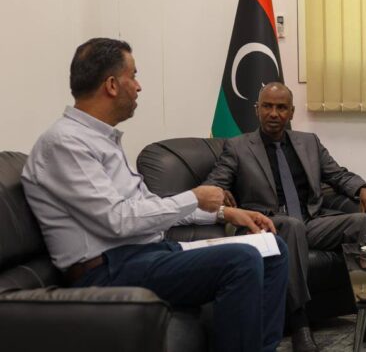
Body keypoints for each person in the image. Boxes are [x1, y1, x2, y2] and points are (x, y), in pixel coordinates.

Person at [21, 38, 289, 352]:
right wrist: (194, 197)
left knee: (273, 249)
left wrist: (225, 213)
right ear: (111, 85)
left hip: (148, 254)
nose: (139, 86)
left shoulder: (101, 139)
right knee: (240, 260)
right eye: (133, 76)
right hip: (107, 271)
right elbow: (118, 220)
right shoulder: (66, 143)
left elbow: (149, 207)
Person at [204, 82, 366, 351]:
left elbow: (338, 174)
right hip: (264, 226)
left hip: (310, 221)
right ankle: (299, 321)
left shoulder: (309, 142)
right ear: (257, 109)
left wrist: (363, 188)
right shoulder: (237, 147)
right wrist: (220, 192)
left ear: (291, 112)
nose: (273, 113)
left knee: (361, 222)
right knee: (292, 226)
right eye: (267, 106)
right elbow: (212, 185)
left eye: (281, 108)